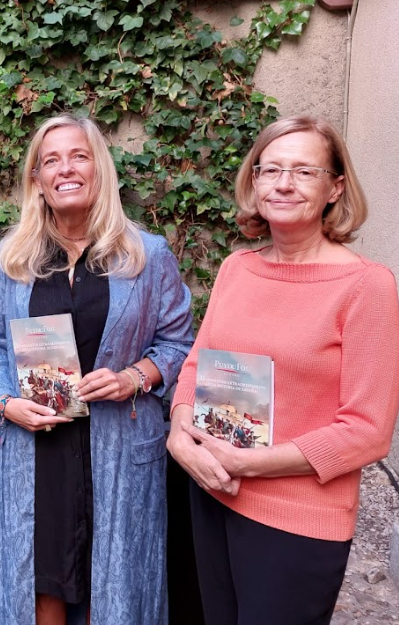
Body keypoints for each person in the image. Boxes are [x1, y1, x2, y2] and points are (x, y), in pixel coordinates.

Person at [167, 115, 399, 625]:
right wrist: (180, 436)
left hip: (296, 520)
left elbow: (367, 432)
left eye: (304, 171)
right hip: (213, 496)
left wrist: (249, 463)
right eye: (270, 169)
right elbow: (195, 364)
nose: (284, 183)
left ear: (336, 187)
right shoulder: (237, 268)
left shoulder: (366, 286)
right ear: (254, 182)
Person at [0, 113, 194, 625]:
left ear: (100, 168)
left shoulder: (146, 255)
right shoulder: (13, 257)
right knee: (38, 585)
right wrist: (6, 401)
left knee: (113, 589)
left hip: (118, 447)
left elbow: (180, 345)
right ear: (37, 179)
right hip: (38, 447)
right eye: (51, 160)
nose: (66, 169)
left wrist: (132, 378)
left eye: (79, 156)